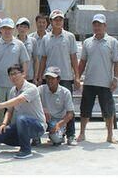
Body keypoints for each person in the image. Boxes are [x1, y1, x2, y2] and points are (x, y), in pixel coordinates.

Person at [36, 10, 80, 144]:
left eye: (60, 19)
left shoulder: (70, 37)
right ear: (51, 21)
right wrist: (39, 77)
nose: (58, 22)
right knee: (44, 105)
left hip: (65, 76)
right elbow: (43, 58)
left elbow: (73, 57)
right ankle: (45, 132)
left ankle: (70, 135)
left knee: (68, 107)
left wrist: (77, 76)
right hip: (49, 76)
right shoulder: (46, 38)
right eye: (55, 19)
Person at [77, 13, 118, 144]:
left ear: (105, 26)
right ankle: (82, 133)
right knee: (85, 109)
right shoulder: (87, 42)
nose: (97, 27)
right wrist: (77, 77)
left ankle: (110, 135)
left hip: (105, 83)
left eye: (99, 24)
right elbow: (83, 62)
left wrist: (115, 79)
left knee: (108, 110)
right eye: (95, 24)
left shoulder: (112, 42)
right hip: (89, 81)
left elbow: (117, 62)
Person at [0, 65, 46, 160]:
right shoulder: (12, 91)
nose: (13, 76)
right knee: (0, 135)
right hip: (22, 125)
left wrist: (0, 105)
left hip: (37, 126)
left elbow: (19, 100)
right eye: (11, 74)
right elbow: (10, 110)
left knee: (21, 119)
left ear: (23, 74)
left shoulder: (31, 88)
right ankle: (27, 140)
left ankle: (26, 150)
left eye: (16, 73)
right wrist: (4, 124)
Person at [0, 18, 30, 124]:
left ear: (13, 30)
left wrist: (23, 78)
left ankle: (13, 131)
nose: (7, 31)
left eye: (9, 28)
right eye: (4, 28)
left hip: (14, 84)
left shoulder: (19, 44)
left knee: (15, 109)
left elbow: (24, 62)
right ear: (0, 29)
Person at [38, 66, 75, 146]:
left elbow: (70, 113)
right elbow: (31, 102)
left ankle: (60, 135)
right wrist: (43, 109)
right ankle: (35, 137)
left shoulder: (65, 93)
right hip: (43, 119)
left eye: (52, 78)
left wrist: (59, 125)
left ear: (58, 79)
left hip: (58, 120)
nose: (49, 81)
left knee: (57, 140)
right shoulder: (40, 89)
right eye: (47, 78)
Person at [29, 14, 49, 82]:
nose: (41, 24)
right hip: (32, 74)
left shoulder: (50, 38)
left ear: (47, 24)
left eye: (44, 22)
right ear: (36, 23)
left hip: (47, 74)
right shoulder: (30, 38)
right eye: (39, 22)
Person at [16, 18, 38, 82]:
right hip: (16, 76)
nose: (23, 29)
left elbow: (36, 60)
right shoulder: (13, 41)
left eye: (25, 27)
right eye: (21, 26)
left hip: (29, 76)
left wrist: (35, 77)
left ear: (28, 29)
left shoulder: (33, 41)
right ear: (17, 27)